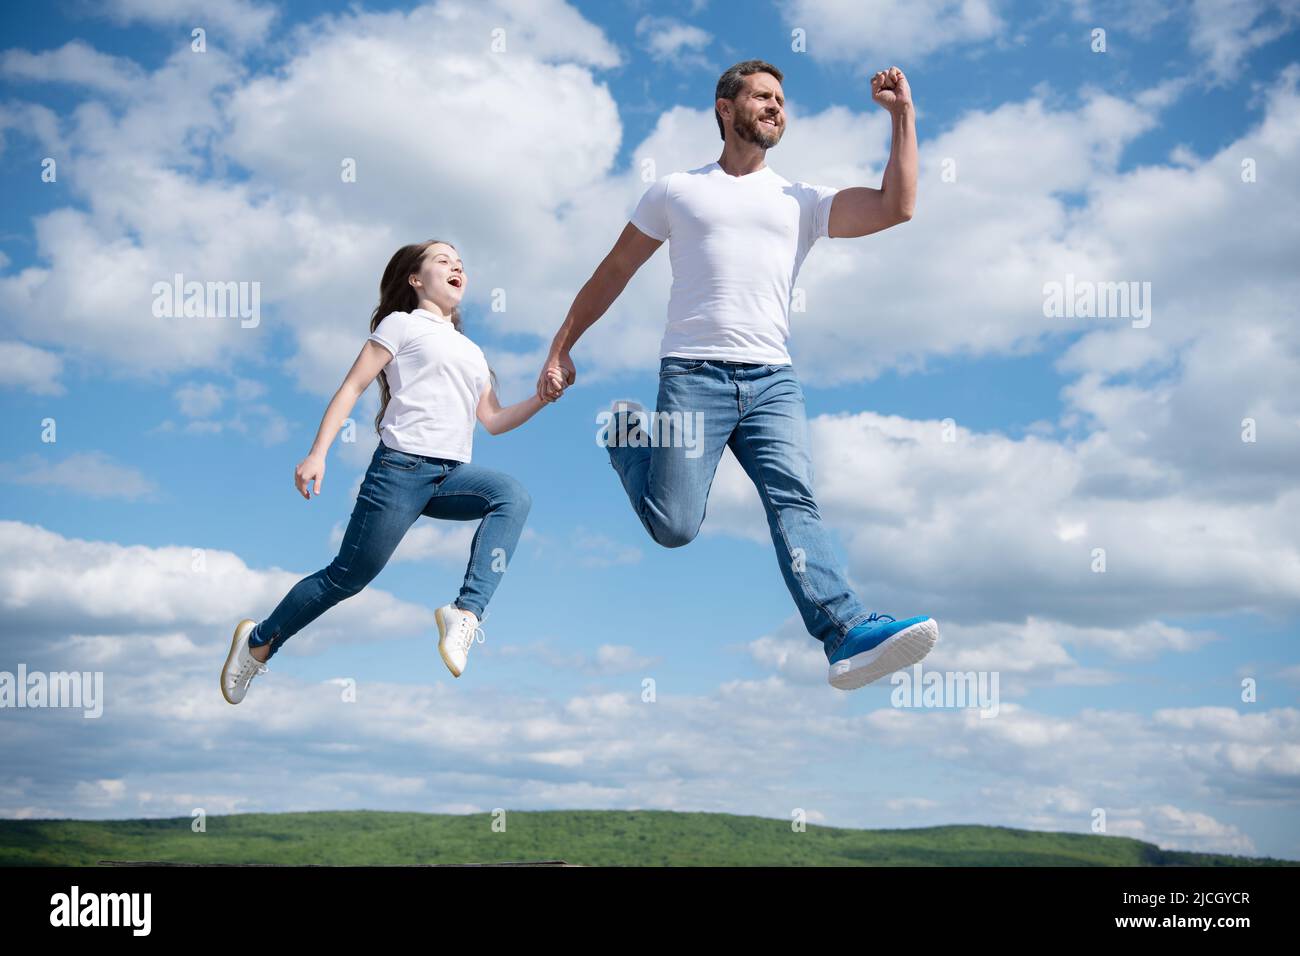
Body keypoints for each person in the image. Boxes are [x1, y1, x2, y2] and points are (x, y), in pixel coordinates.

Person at [537, 60, 937, 690]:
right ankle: (626, 437)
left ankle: (844, 631)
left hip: (773, 380)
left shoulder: (802, 200)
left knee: (792, 500)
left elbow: (897, 206)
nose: (777, 107)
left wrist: (902, 115)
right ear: (726, 107)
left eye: (782, 99)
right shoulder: (675, 191)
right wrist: (562, 346)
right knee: (675, 527)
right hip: (693, 376)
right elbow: (614, 270)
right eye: (763, 96)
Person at [222, 239, 561, 704]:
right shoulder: (400, 325)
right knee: (347, 577)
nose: (456, 267)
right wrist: (318, 453)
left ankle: (465, 614)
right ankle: (259, 641)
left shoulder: (473, 352)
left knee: (512, 496)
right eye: (443, 261)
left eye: (460, 263)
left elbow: (494, 421)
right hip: (399, 471)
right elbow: (352, 387)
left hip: (449, 476)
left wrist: (541, 398)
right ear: (416, 280)